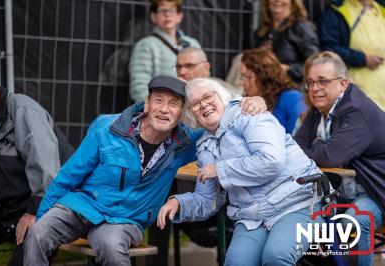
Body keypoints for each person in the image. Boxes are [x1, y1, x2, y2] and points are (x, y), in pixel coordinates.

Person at [23, 75, 264, 266]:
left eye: (174, 104)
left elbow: (218, 118)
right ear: (147, 104)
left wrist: (248, 101)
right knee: (39, 232)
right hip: (83, 204)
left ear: (181, 113)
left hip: (126, 219)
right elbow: (68, 176)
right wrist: (42, 214)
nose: (164, 109)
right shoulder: (107, 127)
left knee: (111, 247)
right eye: (158, 100)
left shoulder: (186, 142)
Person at [158, 78, 325, 266]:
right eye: (195, 104)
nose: (204, 105)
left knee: (276, 256)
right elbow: (208, 200)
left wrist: (220, 170)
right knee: (237, 262)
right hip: (253, 216)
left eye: (208, 97)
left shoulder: (250, 115)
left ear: (222, 97)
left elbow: (272, 160)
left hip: (297, 203)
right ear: (192, 115)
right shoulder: (205, 146)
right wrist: (179, 203)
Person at [294, 51, 385, 266]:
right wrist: (320, 149)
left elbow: (331, 157)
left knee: (355, 222)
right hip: (338, 193)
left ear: (343, 84)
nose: (315, 89)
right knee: (302, 219)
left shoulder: (355, 110)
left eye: (322, 82)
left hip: (375, 192)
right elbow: (295, 147)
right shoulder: (320, 109)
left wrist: (316, 143)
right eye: (311, 83)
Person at [0, 72, 66, 265]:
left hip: (47, 208)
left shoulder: (23, 109)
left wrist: (35, 212)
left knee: (26, 255)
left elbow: (48, 172)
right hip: (5, 213)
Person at [129, 0, 201, 103]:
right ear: (153, 17)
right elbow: (139, 87)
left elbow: (205, 76)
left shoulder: (192, 44)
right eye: (162, 11)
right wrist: (157, 108)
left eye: (171, 10)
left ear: (179, 16)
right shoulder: (146, 45)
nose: (167, 15)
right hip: (165, 109)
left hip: (194, 104)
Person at [319, 0, 385, 110]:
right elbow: (328, 49)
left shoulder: (381, 7)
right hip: (361, 97)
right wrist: (363, 59)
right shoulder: (336, 11)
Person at [250, 0, 320, 84]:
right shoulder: (262, 31)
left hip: (292, 87)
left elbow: (315, 64)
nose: (277, 1)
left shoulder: (302, 27)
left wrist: (288, 69)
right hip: (264, 85)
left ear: (293, 2)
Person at [240, 48, 306, 134]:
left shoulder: (293, 99)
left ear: (263, 76)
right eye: (241, 77)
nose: (242, 83)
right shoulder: (247, 101)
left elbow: (298, 140)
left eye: (247, 77)